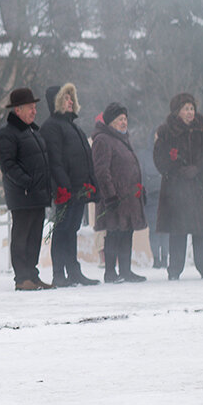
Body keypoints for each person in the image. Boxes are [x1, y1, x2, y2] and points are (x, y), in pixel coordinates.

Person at [154, 92, 203, 280]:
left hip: (201, 186)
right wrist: (176, 170)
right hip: (176, 189)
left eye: (192, 108)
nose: (190, 112)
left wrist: (198, 168)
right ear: (177, 111)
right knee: (178, 231)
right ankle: (174, 270)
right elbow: (160, 158)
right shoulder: (166, 132)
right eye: (186, 109)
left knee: (201, 230)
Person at [0, 87, 54, 291]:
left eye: (35, 107)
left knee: (35, 237)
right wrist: (28, 183)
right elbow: (8, 165)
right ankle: (22, 278)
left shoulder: (32, 132)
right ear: (18, 110)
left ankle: (32, 275)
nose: (34, 111)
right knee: (22, 236)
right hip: (23, 195)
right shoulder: (6, 134)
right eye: (30, 107)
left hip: (38, 194)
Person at [41, 84, 99, 286]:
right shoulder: (51, 127)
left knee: (71, 228)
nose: (70, 101)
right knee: (62, 228)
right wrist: (62, 187)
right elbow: (55, 161)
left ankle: (73, 271)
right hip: (65, 189)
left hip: (79, 188)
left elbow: (84, 157)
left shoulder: (74, 126)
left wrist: (89, 183)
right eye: (66, 98)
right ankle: (59, 273)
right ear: (56, 101)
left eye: (71, 98)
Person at [91, 103, 148, 283]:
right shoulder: (103, 140)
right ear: (110, 122)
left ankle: (125, 270)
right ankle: (110, 272)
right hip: (114, 198)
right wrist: (110, 195)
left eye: (125, 119)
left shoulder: (122, 139)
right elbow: (101, 170)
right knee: (114, 233)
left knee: (126, 232)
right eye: (119, 120)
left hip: (128, 198)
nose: (124, 123)